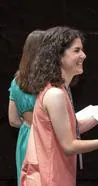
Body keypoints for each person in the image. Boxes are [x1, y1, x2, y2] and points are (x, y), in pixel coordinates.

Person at [20, 26, 98, 186]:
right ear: (59, 56)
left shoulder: (59, 90)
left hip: (54, 173)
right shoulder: (55, 94)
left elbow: (74, 126)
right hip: (49, 176)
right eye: (76, 50)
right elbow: (69, 145)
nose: (84, 55)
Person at [8, 30, 45, 185]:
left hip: (25, 138)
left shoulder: (16, 82)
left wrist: (28, 122)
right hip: (44, 140)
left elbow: (13, 120)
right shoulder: (50, 84)